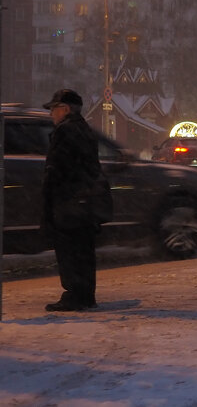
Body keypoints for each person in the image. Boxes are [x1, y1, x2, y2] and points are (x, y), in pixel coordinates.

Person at [42, 88, 111, 311]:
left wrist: (51, 197)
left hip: (69, 201)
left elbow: (58, 168)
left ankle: (74, 294)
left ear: (65, 109)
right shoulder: (85, 130)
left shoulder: (65, 131)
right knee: (83, 249)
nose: (52, 115)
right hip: (84, 202)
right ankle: (85, 294)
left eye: (54, 109)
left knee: (69, 249)